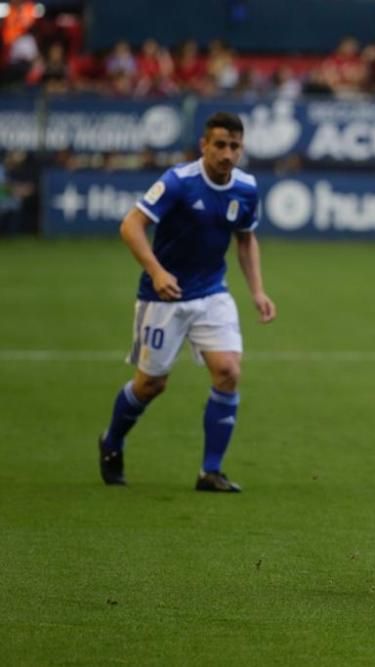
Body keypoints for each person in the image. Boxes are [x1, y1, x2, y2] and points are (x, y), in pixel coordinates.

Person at [97, 111, 277, 492]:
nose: (227, 154)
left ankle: (210, 471)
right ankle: (112, 441)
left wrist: (257, 291)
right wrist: (157, 271)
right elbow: (130, 225)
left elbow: (245, 238)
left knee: (228, 371)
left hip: (213, 292)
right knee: (151, 385)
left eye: (235, 146)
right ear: (204, 146)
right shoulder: (178, 182)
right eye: (220, 146)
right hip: (164, 296)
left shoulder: (246, 188)